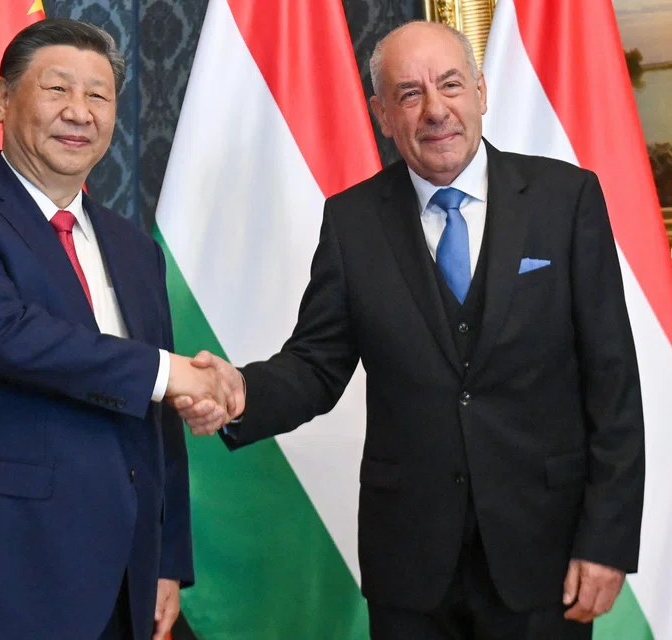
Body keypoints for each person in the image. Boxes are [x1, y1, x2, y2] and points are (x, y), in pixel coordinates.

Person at [176, 20, 645, 640]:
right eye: (409, 93)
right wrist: (240, 390)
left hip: (543, 552)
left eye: (450, 85)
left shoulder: (566, 199)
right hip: (411, 565)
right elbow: (316, 366)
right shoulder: (352, 221)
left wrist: (607, 539)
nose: (435, 110)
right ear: (382, 114)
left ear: (480, 89)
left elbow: (613, 383)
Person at [0, 19, 236, 640]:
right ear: (0, 100)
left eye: (98, 96)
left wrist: (166, 559)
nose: (79, 112)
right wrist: (168, 372)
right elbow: (6, 334)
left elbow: (156, 421)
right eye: (56, 90)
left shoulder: (133, 248)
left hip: (123, 578)